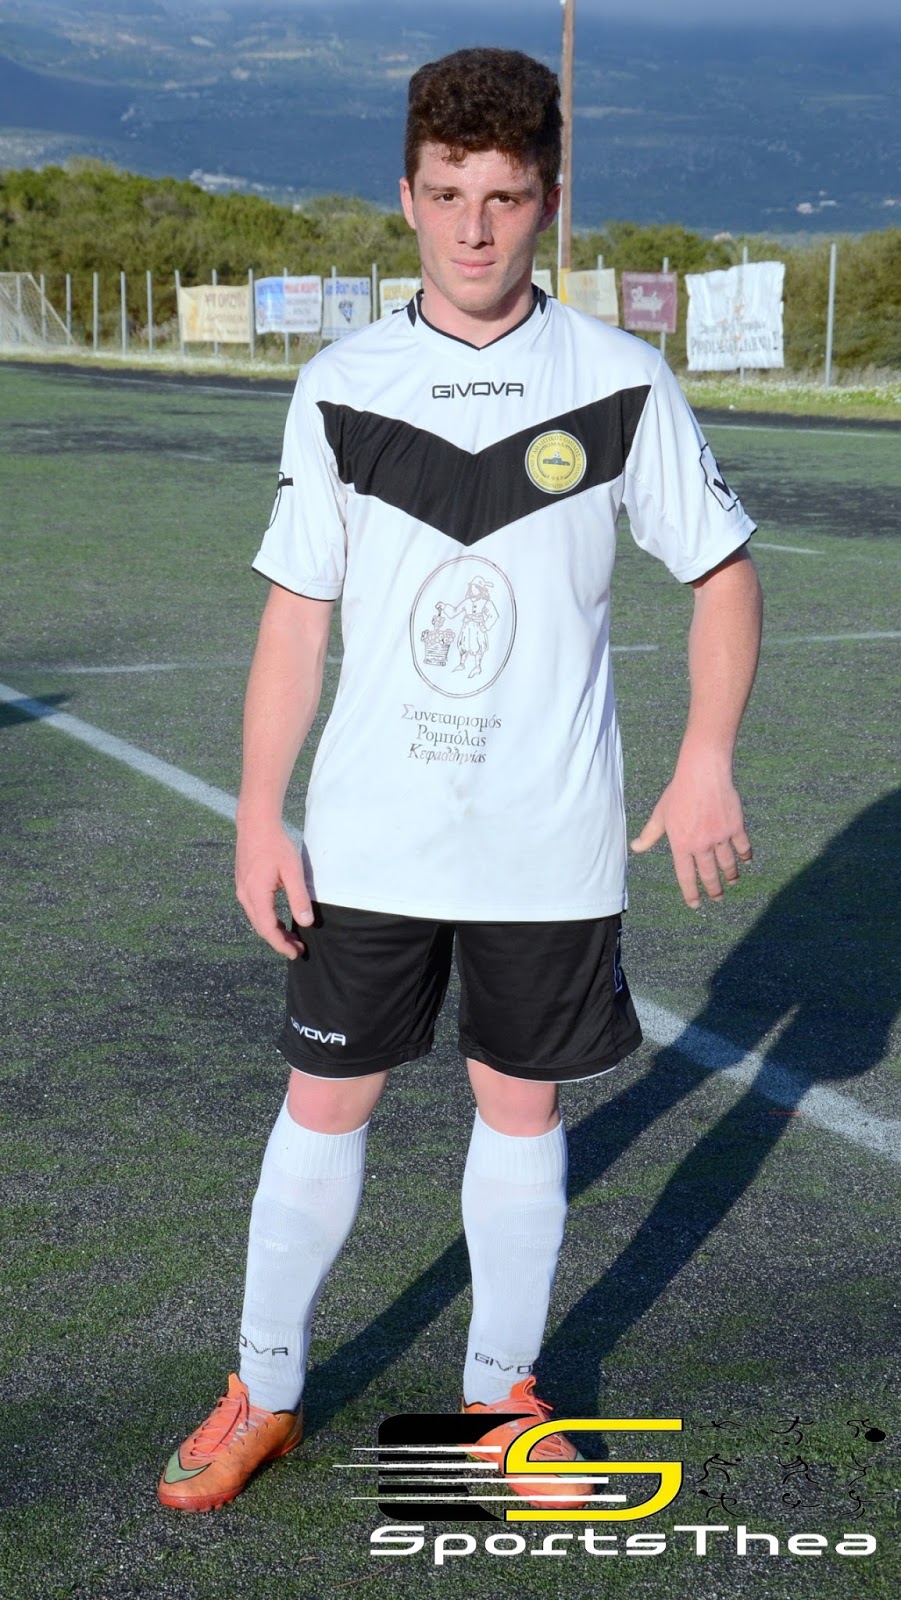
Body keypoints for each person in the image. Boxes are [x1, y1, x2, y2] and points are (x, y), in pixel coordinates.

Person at [158, 46, 762, 1514]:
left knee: (519, 1113)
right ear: (408, 193)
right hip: (371, 837)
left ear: (546, 197)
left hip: (547, 840)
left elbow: (722, 571)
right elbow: (296, 616)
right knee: (324, 1103)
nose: (473, 228)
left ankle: (497, 1409)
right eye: (446, 195)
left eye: (502, 197)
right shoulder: (343, 382)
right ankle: (264, 1391)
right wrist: (258, 813)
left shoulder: (618, 380)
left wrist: (704, 758)